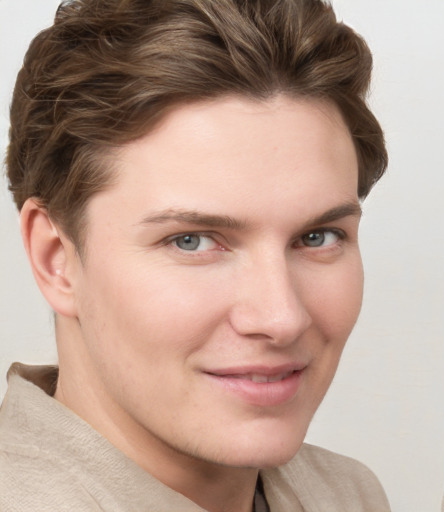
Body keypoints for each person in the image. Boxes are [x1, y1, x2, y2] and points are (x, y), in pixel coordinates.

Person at [0, 0, 390, 510]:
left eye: (317, 237)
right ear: (57, 259)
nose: (282, 318)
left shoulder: (348, 494)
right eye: (193, 240)